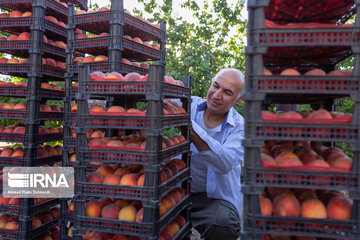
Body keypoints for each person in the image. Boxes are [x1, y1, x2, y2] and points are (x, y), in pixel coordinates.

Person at [165, 68, 245, 239]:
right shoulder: (190, 105)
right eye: (215, 86)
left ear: (238, 99)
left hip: (211, 199)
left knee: (223, 224)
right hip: (177, 191)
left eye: (227, 92)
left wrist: (190, 128)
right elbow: (163, 94)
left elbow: (224, 162)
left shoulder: (240, 127)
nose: (217, 95)